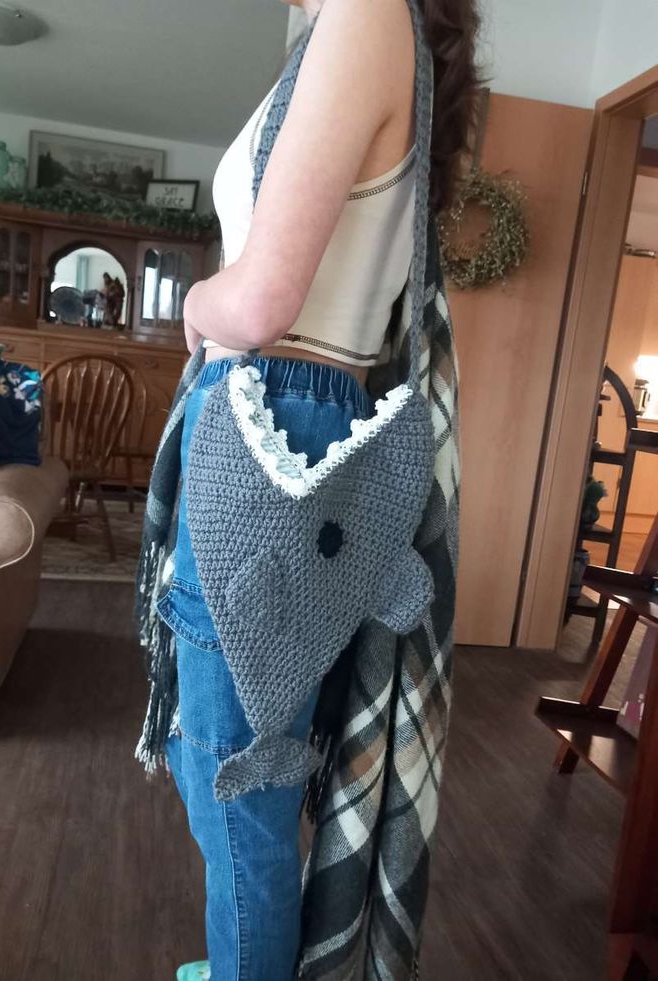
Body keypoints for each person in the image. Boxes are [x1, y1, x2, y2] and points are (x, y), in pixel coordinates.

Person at [143, 0, 481, 977]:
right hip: (295, 431)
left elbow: (257, 302)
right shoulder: (370, 28)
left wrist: (195, 307)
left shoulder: (366, 16)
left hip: (266, 435)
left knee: (234, 787)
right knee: (229, 766)